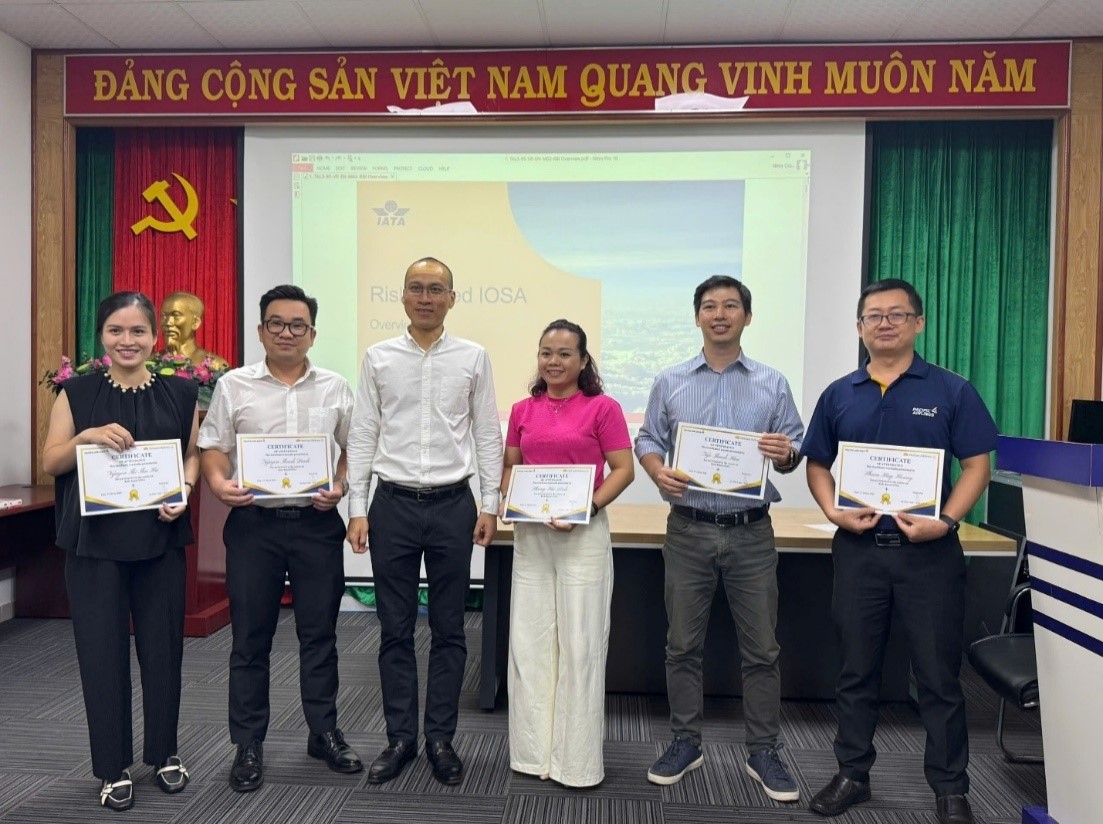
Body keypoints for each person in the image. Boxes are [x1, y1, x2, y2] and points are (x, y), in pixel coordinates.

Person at [802, 279, 996, 824]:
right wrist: (832, 511)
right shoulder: (839, 393)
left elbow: (977, 466)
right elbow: (817, 464)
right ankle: (852, 774)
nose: (884, 323)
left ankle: (950, 789)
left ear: (919, 323)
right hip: (859, 550)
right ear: (859, 327)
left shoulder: (952, 390)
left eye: (896, 314)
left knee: (938, 675)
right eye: (873, 316)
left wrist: (947, 520)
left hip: (930, 556)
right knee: (856, 670)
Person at [634, 275, 803, 802]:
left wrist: (786, 454)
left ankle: (763, 751)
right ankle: (686, 742)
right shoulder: (670, 380)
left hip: (751, 532)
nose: (720, 314)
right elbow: (648, 439)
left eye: (731, 306)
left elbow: (795, 447)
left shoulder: (773, 382)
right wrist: (657, 471)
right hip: (689, 529)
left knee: (763, 650)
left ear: (747, 317)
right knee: (682, 645)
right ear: (697, 317)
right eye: (710, 306)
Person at [346, 256, 503, 786]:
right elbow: (363, 432)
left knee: (449, 629)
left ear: (452, 299)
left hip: (453, 506)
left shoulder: (473, 357)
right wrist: (357, 508)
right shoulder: (378, 357)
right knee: (394, 628)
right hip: (391, 505)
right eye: (416, 287)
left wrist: (489, 503)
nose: (426, 297)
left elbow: (487, 433)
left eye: (436, 289)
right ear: (403, 296)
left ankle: (440, 738)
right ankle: (400, 739)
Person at [198, 284, 362, 793]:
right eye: (276, 323)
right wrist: (218, 484)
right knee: (250, 639)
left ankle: (324, 732)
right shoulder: (234, 385)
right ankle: (248, 743)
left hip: (316, 526)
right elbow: (213, 447)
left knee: (320, 635)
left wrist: (340, 484)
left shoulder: (335, 387)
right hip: (255, 527)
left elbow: (355, 448)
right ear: (260, 329)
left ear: (312, 333)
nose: (286, 332)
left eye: (297, 325)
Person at [42, 291, 200, 811]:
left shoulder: (181, 393)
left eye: (137, 331)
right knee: (101, 655)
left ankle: (165, 753)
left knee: (163, 651)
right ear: (102, 336)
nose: (126, 341)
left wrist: (185, 491)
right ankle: (112, 767)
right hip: (95, 547)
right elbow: (51, 462)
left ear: (154, 338)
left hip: (159, 539)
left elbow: (192, 457)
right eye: (116, 330)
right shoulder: (77, 393)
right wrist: (85, 437)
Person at [502, 319, 634, 787]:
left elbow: (623, 469)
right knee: (530, 645)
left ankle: (575, 764)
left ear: (582, 361)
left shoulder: (603, 408)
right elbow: (511, 467)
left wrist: (588, 507)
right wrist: (512, 501)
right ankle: (532, 755)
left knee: (580, 647)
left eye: (564, 354)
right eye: (546, 353)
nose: (553, 362)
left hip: (582, 535)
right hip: (532, 537)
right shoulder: (522, 409)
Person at [159, 290, 230, 370]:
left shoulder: (216, 365)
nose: (168, 323)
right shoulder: (150, 362)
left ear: (195, 322)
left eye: (176, 315)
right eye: (163, 316)